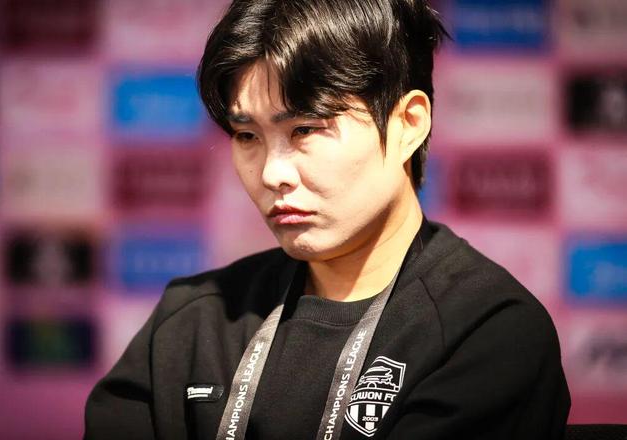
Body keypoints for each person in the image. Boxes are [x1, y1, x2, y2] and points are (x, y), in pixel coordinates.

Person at [84, 0, 571, 438]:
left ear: (408, 125)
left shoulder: (488, 331)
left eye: (305, 129)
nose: (272, 173)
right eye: (247, 136)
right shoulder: (191, 320)